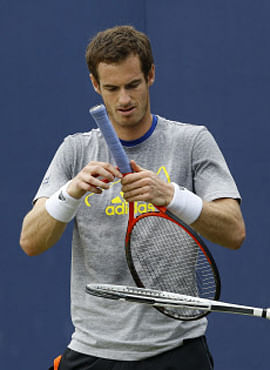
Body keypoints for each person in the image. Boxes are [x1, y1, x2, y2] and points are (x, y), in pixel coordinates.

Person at [19, 25, 246, 370]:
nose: (124, 99)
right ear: (96, 85)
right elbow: (30, 241)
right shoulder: (75, 150)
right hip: (92, 350)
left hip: (176, 350)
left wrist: (170, 195)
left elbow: (234, 231)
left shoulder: (192, 141)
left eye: (133, 85)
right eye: (111, 88)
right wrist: (71, 192)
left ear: (151, 75)